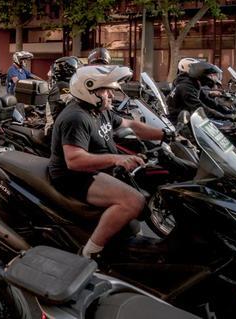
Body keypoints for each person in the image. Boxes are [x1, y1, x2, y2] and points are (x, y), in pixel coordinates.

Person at [48, 65, 171, 258]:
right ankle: (90, 252)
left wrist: (166, 135)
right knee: (133, 201)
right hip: (74, 177)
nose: (111, 96)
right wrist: (117, 159)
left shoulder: (100, 110)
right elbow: (74, 160)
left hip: (97, 170)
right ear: (89, 90)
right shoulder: (76, 117)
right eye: (107, 90)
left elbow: (130, 124)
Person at [167, 60, 236, 123]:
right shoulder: (186, 87)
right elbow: (199, 107)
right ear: (201, 75)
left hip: (189, 117)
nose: (212, 79)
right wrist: (224, 117)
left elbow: (207, 101)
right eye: (210, 76)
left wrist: (228, 112)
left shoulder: (194, 84)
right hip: (179, 121)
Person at [44, 56, 82, 135]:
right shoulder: (62, 85)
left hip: (64, 126)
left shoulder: (68, 85)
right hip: (54, 130)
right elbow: (75, 101)